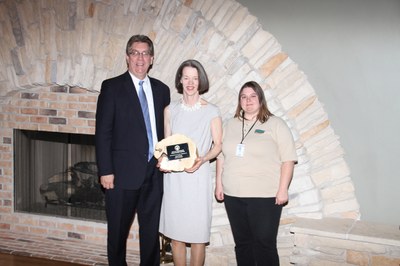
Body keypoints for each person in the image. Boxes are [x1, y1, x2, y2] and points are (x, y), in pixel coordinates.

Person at [95, 34, 170, 266]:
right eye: (135, 53)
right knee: (117, 233)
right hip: (120, 175)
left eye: (145, 53)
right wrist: (105, 170)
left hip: (154, 173)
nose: (140, 58)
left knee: (150, 234)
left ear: (152, 58)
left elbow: (166, 131)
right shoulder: (111, 87)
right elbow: (103, 132)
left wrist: (167, 158)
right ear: (127, 57)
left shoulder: (162, 90)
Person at [215, 81, 297, 266]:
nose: (248, 100)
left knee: (264, 244)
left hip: (265, 196)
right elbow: (220, 157)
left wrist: (283, 190)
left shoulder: (275, 124)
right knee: (242, 244)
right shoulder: (230, 124)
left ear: (261, 99)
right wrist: (218, 184)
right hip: (233, 195)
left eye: (253, 96)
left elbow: (288, 160)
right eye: (243, 97)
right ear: (239, 101)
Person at [158, 59, 222, 266]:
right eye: (186, 77)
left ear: (200, 81)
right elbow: (167, 146)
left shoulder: (212, 110)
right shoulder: (170, 110)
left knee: (197, 238)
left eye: (195, 78)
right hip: (175, 180)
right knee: (176, 237)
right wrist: (163, 160)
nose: (190, 82)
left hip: (198, 177)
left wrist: (202, 159)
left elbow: (218, 146)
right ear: (180, 80)